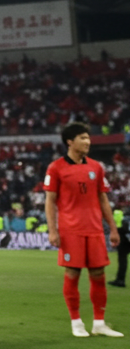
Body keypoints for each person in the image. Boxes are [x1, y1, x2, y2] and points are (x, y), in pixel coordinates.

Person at [45, 122, 123, 337]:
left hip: (95, 229)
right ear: (70, 141)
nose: (88, 142)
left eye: (88, 138)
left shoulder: (96, 167)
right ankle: (76, 322)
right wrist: (53, 230)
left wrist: (113, 229)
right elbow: (50, 202)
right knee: (73, 273)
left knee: (98, 274)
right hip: (71, 230)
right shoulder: (56, 167)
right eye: (83, 138)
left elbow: (103, 199)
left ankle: (99, 323)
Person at [112, 207, 128, 288]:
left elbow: (119, 227)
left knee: (122, 260)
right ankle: (120, 279)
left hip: (124, 241)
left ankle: (120, 280)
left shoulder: (119, 214)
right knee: (122, 260)